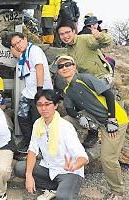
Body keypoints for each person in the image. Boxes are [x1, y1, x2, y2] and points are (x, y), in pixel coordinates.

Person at [56, 55, 128, 199]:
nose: (64, 68)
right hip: (97, 120)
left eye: (67, 64)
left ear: (74, 66)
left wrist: (112, 119)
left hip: (115, 120)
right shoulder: (68, 90)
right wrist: (79, 117)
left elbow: (108, 95)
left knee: (108, 159)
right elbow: (70, 110)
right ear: (58, 71)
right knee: (64, 121)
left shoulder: (85, 78)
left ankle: (118, 191)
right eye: (60, 66)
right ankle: (65, 153)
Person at [14, 89, 88, 199]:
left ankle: (63, 188)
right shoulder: (38, 124)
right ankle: (55, 187)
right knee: (20, 168)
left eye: (47, 104)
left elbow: (84, 157)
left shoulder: (65, 127)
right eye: (39, 105)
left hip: (68, 171)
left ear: (55, 105)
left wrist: (74, 166)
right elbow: (32, 150)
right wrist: (29, 175)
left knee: (63, 197)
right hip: (49, 167)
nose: (43, 108)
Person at [9, 32, 53, 153]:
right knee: (22, 116)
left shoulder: (34, 50)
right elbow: (20, 61)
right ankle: (28, 139)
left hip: (41, 92)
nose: (17, 45)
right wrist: (16, 53)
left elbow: (40, 68)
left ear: (25, 39)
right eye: (14, 45)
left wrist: (40, 91)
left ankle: (38, 145)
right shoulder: (24, 54)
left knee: (37, 119)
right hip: (28, 92)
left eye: (19, 42)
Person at [56, 19, 113, 87]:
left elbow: (107, 41)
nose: (65, 36)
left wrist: (100, 36)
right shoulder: (68, 49)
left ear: (74, 31)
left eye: (67, 32)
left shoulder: (85, 39)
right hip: (87, 81)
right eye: (62, 34)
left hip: (101, 78)